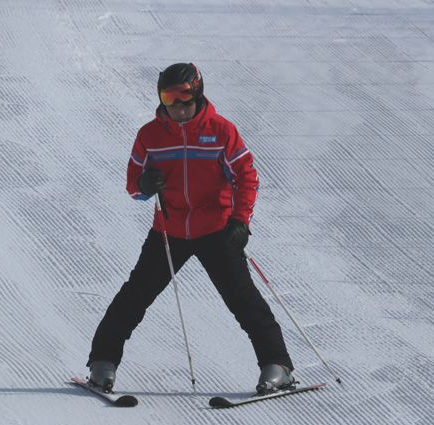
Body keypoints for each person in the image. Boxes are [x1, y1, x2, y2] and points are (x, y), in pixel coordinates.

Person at [86, 63, 295, 395]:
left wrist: (240, 220)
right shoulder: (150, 135)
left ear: (198, 95)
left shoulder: (221, 131)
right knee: (134, 296)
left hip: (216, 228)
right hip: (169, 231)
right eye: (170, 102)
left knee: (243, 300)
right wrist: (144, 184)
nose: (179, 110)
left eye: (185, 101)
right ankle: (102, 363)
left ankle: (277, 366)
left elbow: (246, 177)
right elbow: (133, 186)